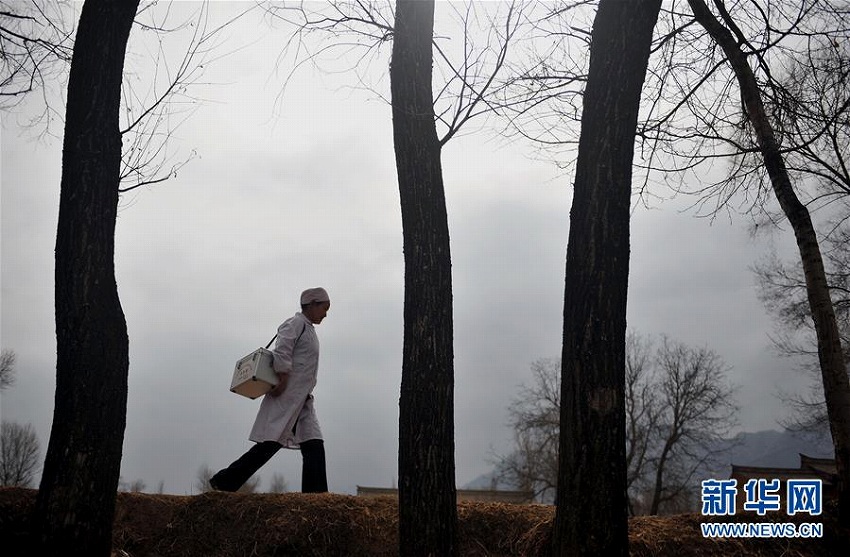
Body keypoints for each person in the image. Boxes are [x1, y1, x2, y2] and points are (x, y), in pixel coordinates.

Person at [210, 287, 331, 493]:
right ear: (311, 305)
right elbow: (282, 349)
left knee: (314, 443)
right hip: (286, 395)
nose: (325, 314)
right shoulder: (294, 324)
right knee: (269, 445)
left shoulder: (308, 328)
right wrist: (282, 377)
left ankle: (316, 495)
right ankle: (225, 480)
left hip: (302, 399)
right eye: (324, 308)